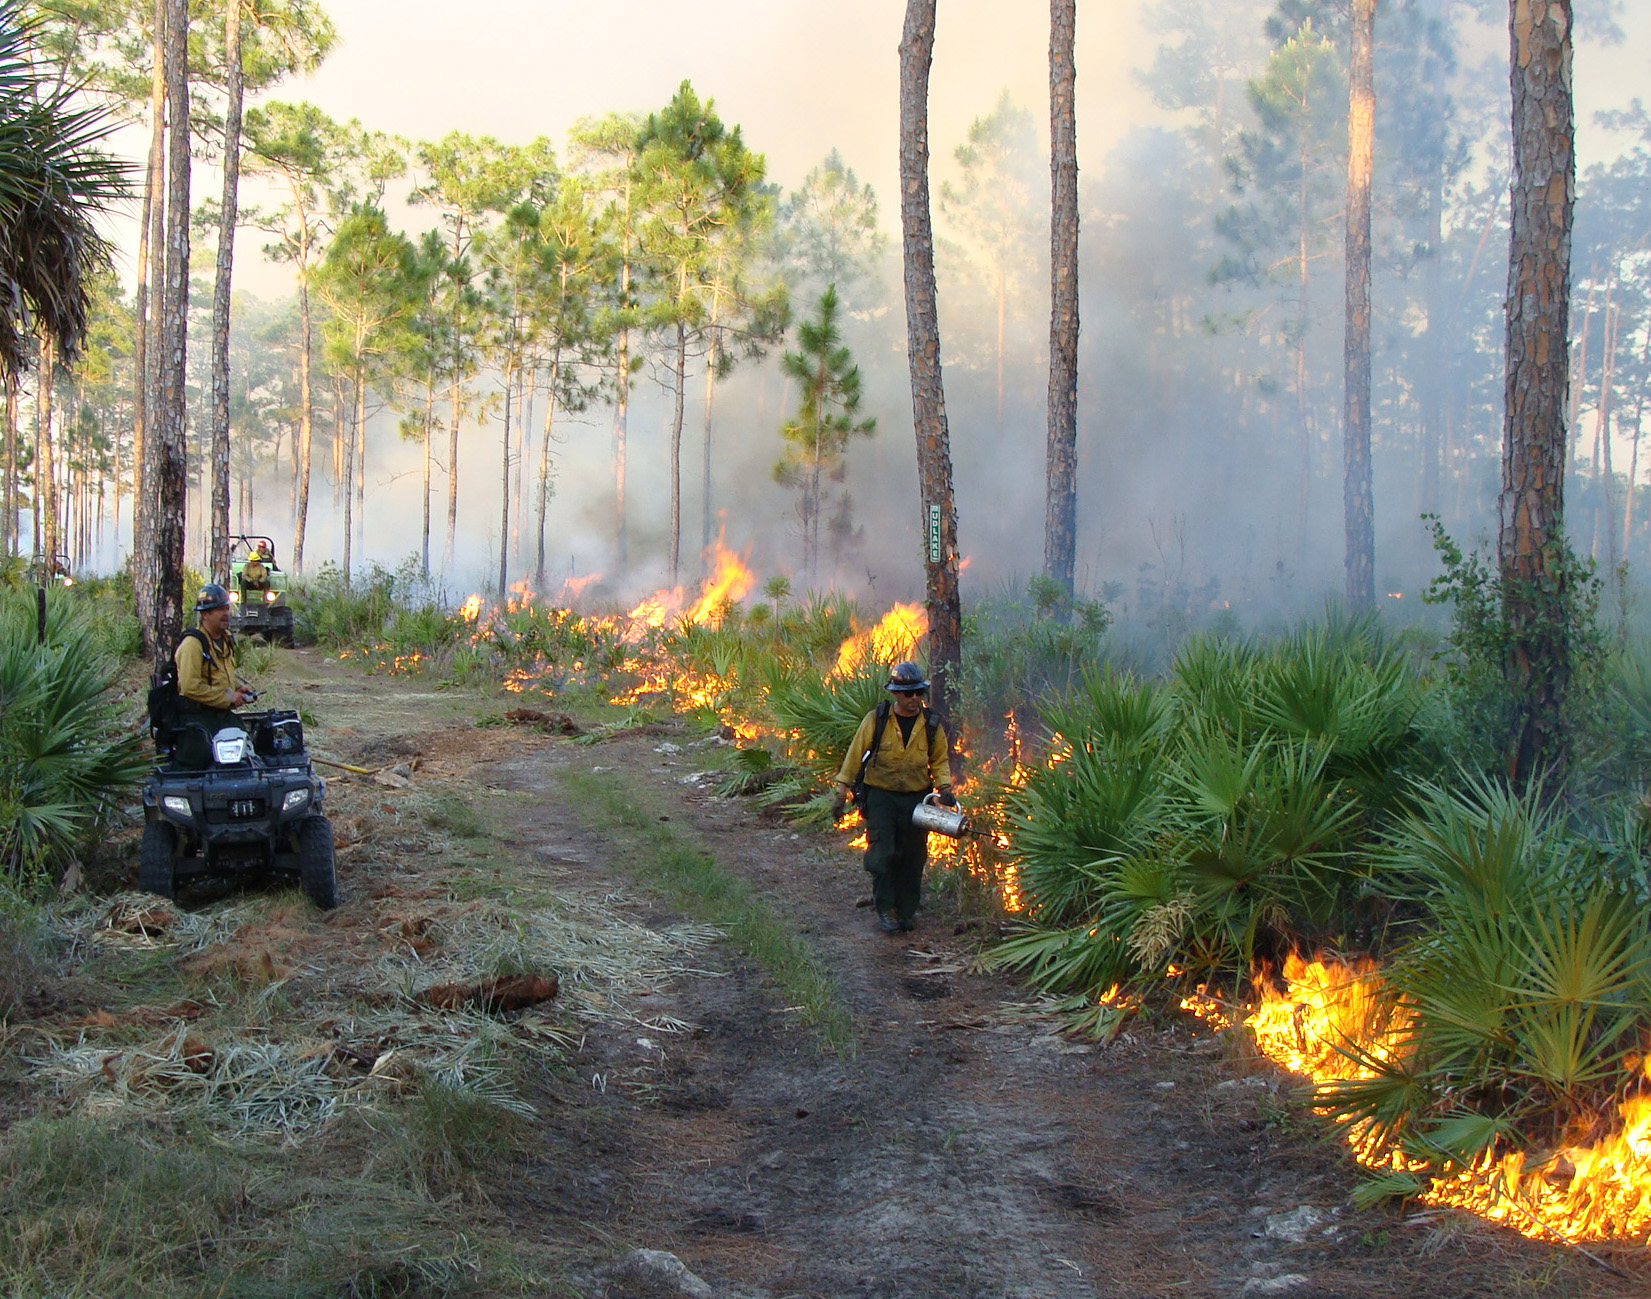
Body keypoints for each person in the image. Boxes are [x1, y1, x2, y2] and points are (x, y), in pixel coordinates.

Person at [831, 661, 956, 934]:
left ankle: (906, 911)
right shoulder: (876, 719)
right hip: (881, 797)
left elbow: (939, 760)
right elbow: (855, 755)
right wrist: (841, 793)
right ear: (895, 694)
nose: (914, 699)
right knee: (883, 853)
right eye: (908, 693)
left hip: (916, 799)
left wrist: (944, 788)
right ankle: (886, 908)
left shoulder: (932, 723)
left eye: (919, 693)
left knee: (913, 856)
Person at [176, 583, 255, 730]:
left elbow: (219, 673)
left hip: (220, 714)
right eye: (220, 609)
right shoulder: (193, 644)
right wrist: (227, 697)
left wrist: (238, 688)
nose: (226, 613)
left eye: (226, 608)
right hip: (196, 717)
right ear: (205, 614)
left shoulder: (226, 639)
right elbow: (189, 687)